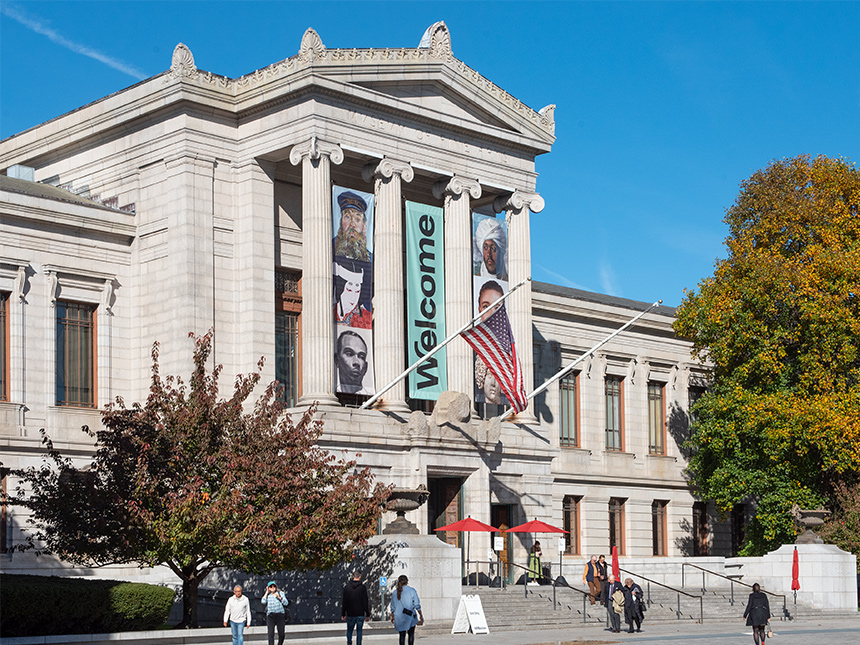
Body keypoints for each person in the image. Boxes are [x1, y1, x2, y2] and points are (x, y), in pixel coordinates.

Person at [334, 191, 372, 262]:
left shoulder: (371, 259)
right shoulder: (328, 248)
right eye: (348, 217)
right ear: (341, 221)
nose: (352, 224)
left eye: (357, 219)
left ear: (364, 226)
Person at [334, 259, 371, 328]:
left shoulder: (366, 317)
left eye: (357, 291)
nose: (353, 297)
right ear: (340, 289)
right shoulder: (329, 311)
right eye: (349, 290)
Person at [390, 575, 423, 645]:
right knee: (411, 634)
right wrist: (421, 615)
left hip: (399, 617)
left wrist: (392, 616)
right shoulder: (412, 591)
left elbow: (392, 607)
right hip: (410, 616)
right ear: (407, 582)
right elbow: (417, 605)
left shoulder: (395, 592)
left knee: (402, 635)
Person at [335, 330, 371, 394]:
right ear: (337, 360)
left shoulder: (370, 396)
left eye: (361, 357)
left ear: (366, 367)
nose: (356, 362)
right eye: (349, 354)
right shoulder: (333, 390)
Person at [342, 571, 371, 645]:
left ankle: (349, 642)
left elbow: (344, 601)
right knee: (359, 631)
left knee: (349, 630)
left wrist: (343, 613)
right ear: (360, 577)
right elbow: (365, 601)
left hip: (350, 613)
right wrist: (367, 614)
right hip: (360, 613)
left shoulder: (347, 587)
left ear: (352, 576)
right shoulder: (362, 588)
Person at [262, 581, 289, 645]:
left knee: (281, 633)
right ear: (268, 588)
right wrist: (266, 592)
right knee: (270, 634)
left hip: (280, 615)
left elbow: (286, 603)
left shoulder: (280, 593)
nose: (272, 588)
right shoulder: (268, 595)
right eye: (270, 587)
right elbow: (263, 602)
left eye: (274, 586)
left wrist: (280, 598)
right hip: (271, 616)